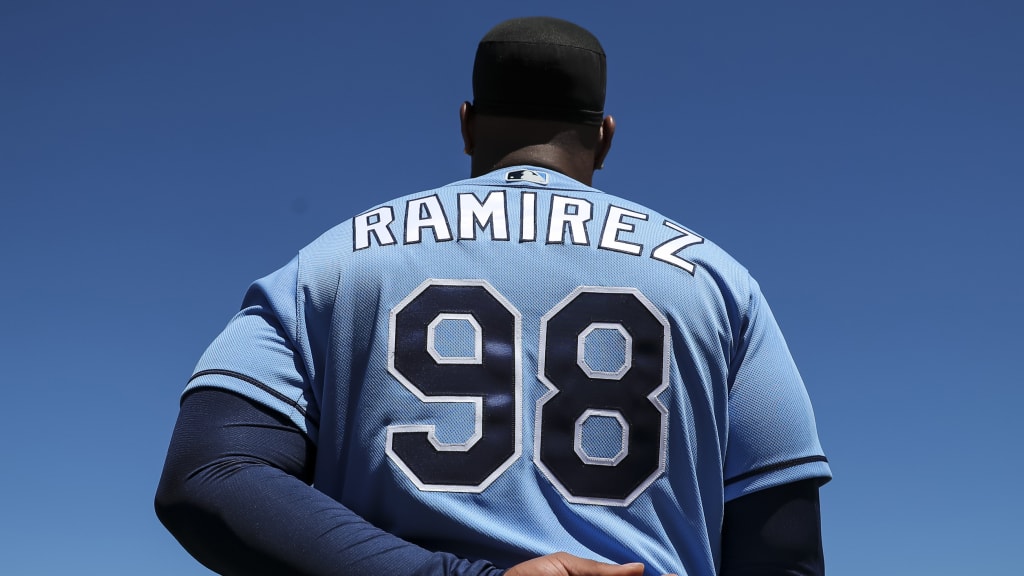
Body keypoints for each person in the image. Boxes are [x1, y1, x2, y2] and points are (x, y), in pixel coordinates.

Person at [156, 16, 831, 576]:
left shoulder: (332, 263)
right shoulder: (719, 282)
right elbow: (785, 549)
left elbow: (210, 473)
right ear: (605, 137)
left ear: (468, 124)